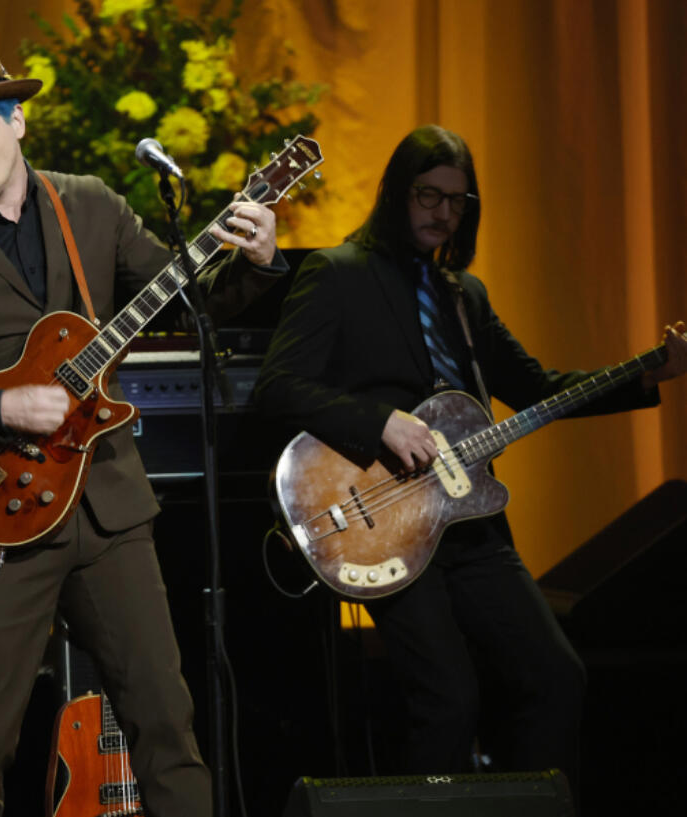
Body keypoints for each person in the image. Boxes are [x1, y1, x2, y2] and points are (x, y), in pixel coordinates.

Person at [0, 39, 286, 817]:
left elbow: (193, 303)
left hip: (110, 509)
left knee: (166, 721)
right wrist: (0, 408)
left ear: (17, 119)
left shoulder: (89, 205)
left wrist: (254, 261)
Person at [253, 124, 687, 789]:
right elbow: (277, 387)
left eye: (457, 201)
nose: (443, 213)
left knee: (554, 675)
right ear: (398, 192)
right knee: (448, 698)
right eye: (429, 196)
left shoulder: (464, 295)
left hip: (471, 524)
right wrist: (381, 422)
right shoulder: (337, 274)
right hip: (385, 521)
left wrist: (652, 372)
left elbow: (537, 388)